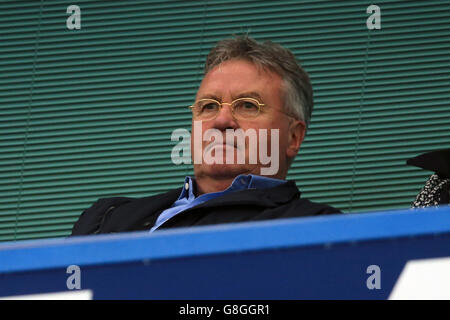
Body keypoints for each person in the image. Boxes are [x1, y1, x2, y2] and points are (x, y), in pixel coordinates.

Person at [71, 36, 342, 236]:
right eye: (209, 106)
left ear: (293, 137)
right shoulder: (105, 219)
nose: (221, 120)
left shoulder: (319, 229)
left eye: (248, 105)